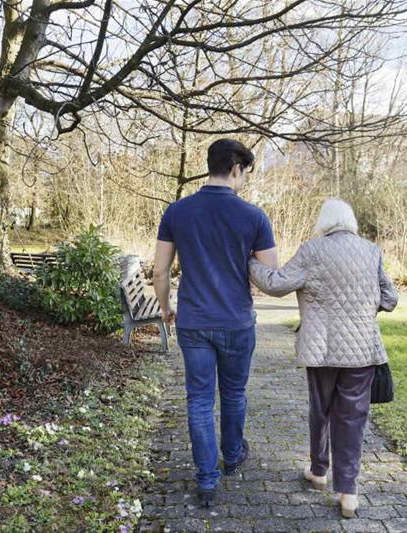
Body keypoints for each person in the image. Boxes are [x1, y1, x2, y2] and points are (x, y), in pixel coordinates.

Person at [248, 198, 398, 518]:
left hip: (321, 350)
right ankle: (348, 493)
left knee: (321, 410)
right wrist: (363, 309)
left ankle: (318, 471)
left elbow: (276, 284)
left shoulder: (312, 250)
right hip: (361, 351)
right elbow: (390, 298)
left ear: (324, 222)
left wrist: (250, 262)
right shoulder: (371, 251)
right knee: (352, 419)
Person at [152, 139, 277, 508]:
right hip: (236, 320)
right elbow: (269, 275)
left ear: (211, 165)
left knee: (199, 400)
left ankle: (207, 480)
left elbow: (160, 271)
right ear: (236, 168)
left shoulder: (177, 211)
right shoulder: (254, 217)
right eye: (244, 174)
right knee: (234, 394)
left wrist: (165, 307)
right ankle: (234, 455)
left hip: (193, 321)